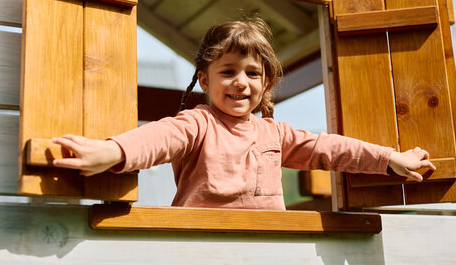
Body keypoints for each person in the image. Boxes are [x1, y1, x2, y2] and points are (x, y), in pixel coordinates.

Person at [52, 18, 435, 210]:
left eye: (253, 73)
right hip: (198, 246)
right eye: (228, 71)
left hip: (266, 245)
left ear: (266, 83)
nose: (241, 82)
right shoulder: (198, 123)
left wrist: (389, 159)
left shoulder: (275, 133)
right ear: (204, 79)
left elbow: (330, 149)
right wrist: (111, 153)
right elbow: (158, 138)